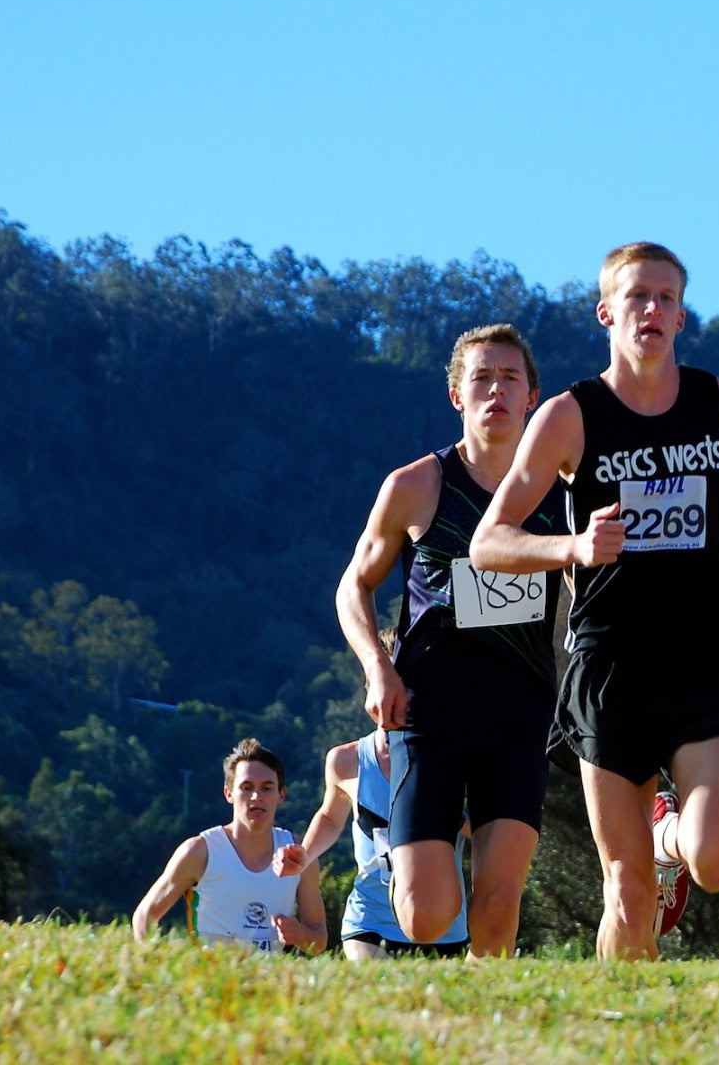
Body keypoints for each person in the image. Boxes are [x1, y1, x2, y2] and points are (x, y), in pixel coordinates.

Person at [470, 242, 719, 960]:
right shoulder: (570, 415)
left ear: (680, 317)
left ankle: (667, 834)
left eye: (667, 299)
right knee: (628, 890)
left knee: (718, 860)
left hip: (703, 657)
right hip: (609, 666)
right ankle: (625, 1028)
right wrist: (574, 548)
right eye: (638, 297)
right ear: (607, 313)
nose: (653, 309)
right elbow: (490, 543)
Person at [334, 323, 563, 958]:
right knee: (427, 917)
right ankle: (420, 849)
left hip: (519, 713)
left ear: (533, 396)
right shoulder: (416, 486)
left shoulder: (559, 494)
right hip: (428, 715)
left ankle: (486, 1027)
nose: (497, 390)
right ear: (457, 396)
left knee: (498, 901)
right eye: (481, 378)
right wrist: (378, 670)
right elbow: (353, 588)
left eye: (510, 378)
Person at [272, 728, 469, 959]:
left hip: (442, 924)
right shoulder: (347, 760)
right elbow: (331, 817)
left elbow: (487, 828)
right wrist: (305, 853)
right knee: (379, 989)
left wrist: (445, 813)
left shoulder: (453, 757)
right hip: (370, 919)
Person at [133, 738, 327, 955]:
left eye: (267, 788)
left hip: (270, 984)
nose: (256, 797)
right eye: (246, 787)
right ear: (229, 794)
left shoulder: (298, 855)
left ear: (281, 794)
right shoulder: (200, 852)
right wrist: (153, 959)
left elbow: (319, 939)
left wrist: (300, 934)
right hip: (209, 980)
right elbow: (144, 916)